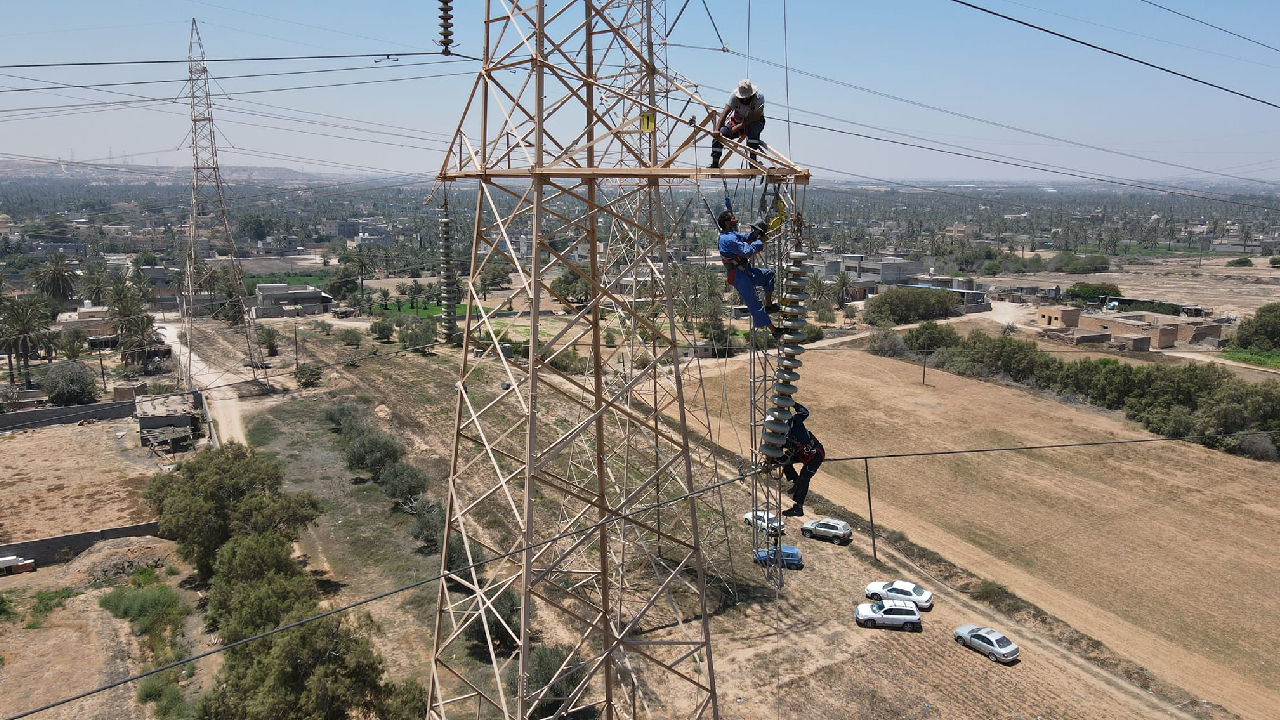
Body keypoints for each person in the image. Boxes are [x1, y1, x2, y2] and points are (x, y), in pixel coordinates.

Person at [718, 209, 782, 337]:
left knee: (769, 274)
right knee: (755, 303)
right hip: (739, 275)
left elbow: (745, 238)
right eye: (733, 218)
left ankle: (768, 305)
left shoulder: (732, 235)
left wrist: (756, 233)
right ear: (727, 222)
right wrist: (760, 241)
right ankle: (774, 331)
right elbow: (746, 251)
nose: (736, 220)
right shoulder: (727, 239)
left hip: (746, 271)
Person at [780, 402, 824, 517]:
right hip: (800, 453)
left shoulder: (794, 422)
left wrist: (793, 403)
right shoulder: (780, 434)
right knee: (783, 460)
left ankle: (798, 508)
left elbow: (805, 412)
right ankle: (795, 481)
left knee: (805, 477)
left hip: (815, 453)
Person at [709, 79, 765, 169]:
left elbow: (756, 117)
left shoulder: (758, 97)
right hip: (737, 120)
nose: (745, 98)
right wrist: (716, 131)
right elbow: (724, 113)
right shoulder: (734, 96)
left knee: (753, 132)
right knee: (721, 133)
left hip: (754, 122)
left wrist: (737, 128)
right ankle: (715, 163)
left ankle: (753, 162)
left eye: (747, 96)